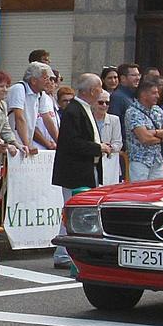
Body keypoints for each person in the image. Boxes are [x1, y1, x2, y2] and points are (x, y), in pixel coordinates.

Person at [53, 73, 107, 269]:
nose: (101, 92)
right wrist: (98, 148)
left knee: (77, 211)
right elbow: (72, 142)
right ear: (92, 90)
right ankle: (63, 252)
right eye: (99, 88)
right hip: (75, 170)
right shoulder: (74, 111)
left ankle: (69, 251)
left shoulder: (83, 109)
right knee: (72, 210)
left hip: (85, 167)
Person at [125, 76, 163, 180]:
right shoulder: (133, 112)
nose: (157, 96)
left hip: (157, 160)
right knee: (140, 192)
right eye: (154, 93)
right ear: (143, 95)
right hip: (140, 161)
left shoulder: (157, 110)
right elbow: (145, 138)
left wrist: (154, 132)